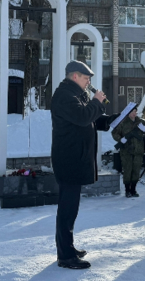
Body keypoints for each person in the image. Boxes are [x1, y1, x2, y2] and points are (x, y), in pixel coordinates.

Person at [50, 60, 109, 270]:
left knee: (71, 208)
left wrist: (109, 119)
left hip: (74, 158)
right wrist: (96, 102)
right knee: (67, 209)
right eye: (86, 78)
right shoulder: (65, 96)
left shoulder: (74, 95)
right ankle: (65, 256)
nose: (89, 82)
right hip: (69, 160)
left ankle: (68, 247)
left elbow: (87, 119)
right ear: (75, 76)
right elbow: (83, 117)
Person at [112, 107, 145, 198]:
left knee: (136, 171)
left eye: (135, 111)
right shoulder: (123, 122)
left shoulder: (140, 122)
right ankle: (127, 190)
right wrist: (121, 139)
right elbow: (114, 133)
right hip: (126, 151)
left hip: (138, 150)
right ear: (128, 113)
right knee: (127, 170)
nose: (134, 113)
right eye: (132, 111)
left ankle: (133, 189)